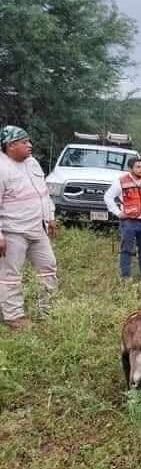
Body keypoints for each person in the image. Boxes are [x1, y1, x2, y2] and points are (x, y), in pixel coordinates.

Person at [0, 125, 58, 329]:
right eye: (24, 142)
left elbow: (43, 192)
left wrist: (50, 216)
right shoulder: (2, 168)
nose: (30, 145)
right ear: (11, 146)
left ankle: (48, 309)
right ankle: (13, 315)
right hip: (13, 230)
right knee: (10, 274)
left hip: (37, 227)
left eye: (29, 141)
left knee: (48, 267)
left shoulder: (32, 163)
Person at [104, 157, 141, 279]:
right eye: (138, 167)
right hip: (129, 221)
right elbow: (108, 197)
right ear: (130, 169)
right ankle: (125, 277)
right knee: (126, 249)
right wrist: (118, 213)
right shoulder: (121, 181)